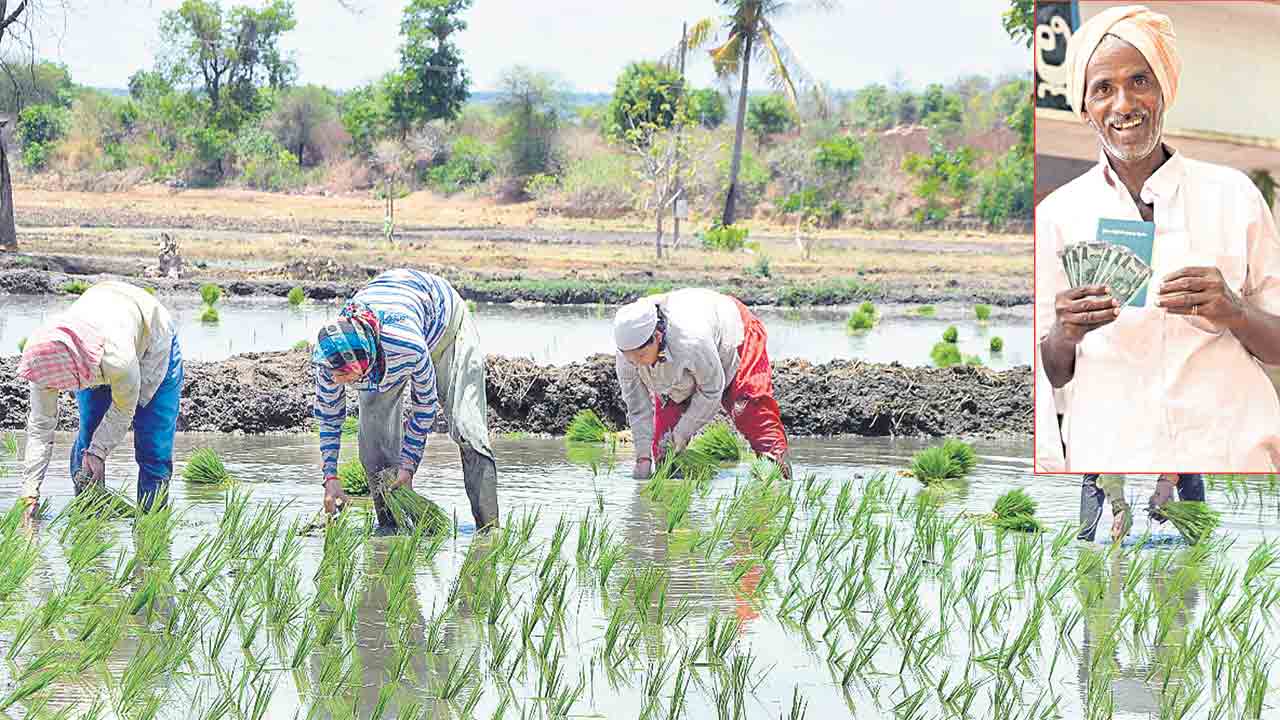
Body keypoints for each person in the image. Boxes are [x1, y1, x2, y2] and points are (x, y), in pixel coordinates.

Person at [1036, 5, 1280, 471]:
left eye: (1139, 81)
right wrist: (1064, 333)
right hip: (1114, 463)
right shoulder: (1057, 215)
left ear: (1164, 90)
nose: (1124, 104)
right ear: (1085, 109)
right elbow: (1053, 372)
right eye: (1103, 88)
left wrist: (1235, 311)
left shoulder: (1235, 196)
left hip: (1231, 458)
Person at [312, 269, 498, 529]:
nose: (335, 379)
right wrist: (330, 477)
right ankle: (390, 530)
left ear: (363, 364)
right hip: (389, 331)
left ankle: (489, 531)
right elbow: (329, 418)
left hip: (445, 325)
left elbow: (424, 407)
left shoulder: (406, 346)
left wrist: (408, 465)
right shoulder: (331, 355)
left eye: (343, 374)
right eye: (332, 372)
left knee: (468, 429)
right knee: (374, 447)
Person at [17, 280, 183, 519]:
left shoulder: (118, 359)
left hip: (153, 340)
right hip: (100, 326)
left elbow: (124, 410)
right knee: (89, 436)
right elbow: (41, 428)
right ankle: (88, 522)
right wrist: (30, 493)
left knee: (153, 446)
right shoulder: (41, 361)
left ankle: (151, 523)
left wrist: (99, 451)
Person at [613, 288, 792, 480]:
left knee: (748, 408)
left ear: (657, 337)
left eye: (640, 356)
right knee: (666, 455)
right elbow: (638, 407)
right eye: (629, 357)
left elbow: (711, 391)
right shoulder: (628, 356)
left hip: (732, 331)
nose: (636, 363)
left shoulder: (691, 340)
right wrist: (642, 459)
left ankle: (777, 472)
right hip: (678, 367)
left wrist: (682, 434)